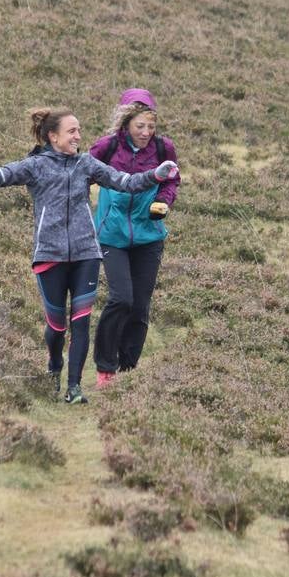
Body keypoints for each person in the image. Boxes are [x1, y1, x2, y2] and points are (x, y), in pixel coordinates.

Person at [0, 107, 179, 405]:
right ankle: (54, 364)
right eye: (72, 131)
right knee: (57, 326)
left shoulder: (86, 164)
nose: (78, 136)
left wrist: (156, 174)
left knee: (80, 321)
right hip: (49, 255)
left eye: (79, 130)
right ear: (53, 136)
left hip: (86, 255)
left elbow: (125, 182)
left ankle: (74, 387)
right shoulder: (35, 166)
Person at [88, 88, 180, 389]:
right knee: (121, 299)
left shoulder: (164, 149)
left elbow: (172, 179)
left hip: (148, 236)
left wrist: (164, 202)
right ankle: (105, 366)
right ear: (127, 122)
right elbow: (82, 171)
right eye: (140, 126)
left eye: (151, 126)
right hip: (111, 235)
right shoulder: (108, 146)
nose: (146, 132)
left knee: (140, 307)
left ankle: (127, 370)